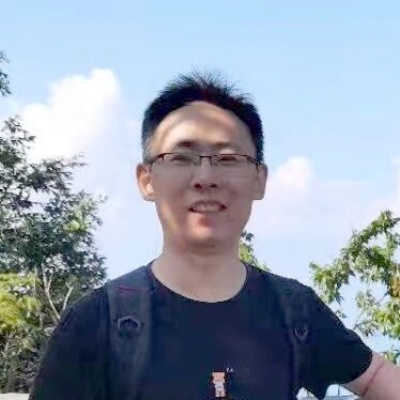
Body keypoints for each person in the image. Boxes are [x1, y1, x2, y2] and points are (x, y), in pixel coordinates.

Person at [29, 72, 400, 400]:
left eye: (228, 158)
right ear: (146, 179)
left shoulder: (294, 311)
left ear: (259, 179)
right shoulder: (97, 323)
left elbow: (375, 379)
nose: (205, 177)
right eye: (181, 157)